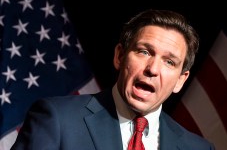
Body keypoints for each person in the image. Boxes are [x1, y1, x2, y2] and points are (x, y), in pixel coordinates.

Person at [11, 9, 215, 150]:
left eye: (169, 62)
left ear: (181, 80)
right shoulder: (57, 119)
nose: (152, 69)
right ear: (119, 56)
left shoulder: (199, 147)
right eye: (144, 52)